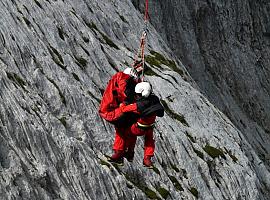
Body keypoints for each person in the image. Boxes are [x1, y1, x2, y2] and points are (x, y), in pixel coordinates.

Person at [108, 82, 164, 168]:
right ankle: (147, 159)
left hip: (138, 128)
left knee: (122, 130)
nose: (136, 96)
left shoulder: (139, 105)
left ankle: (120, 154)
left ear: (142, 94)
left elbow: (124, 109)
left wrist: (122, 104)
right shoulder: (154, 100)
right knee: (149, 140)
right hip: (149, 127)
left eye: (137, 94)